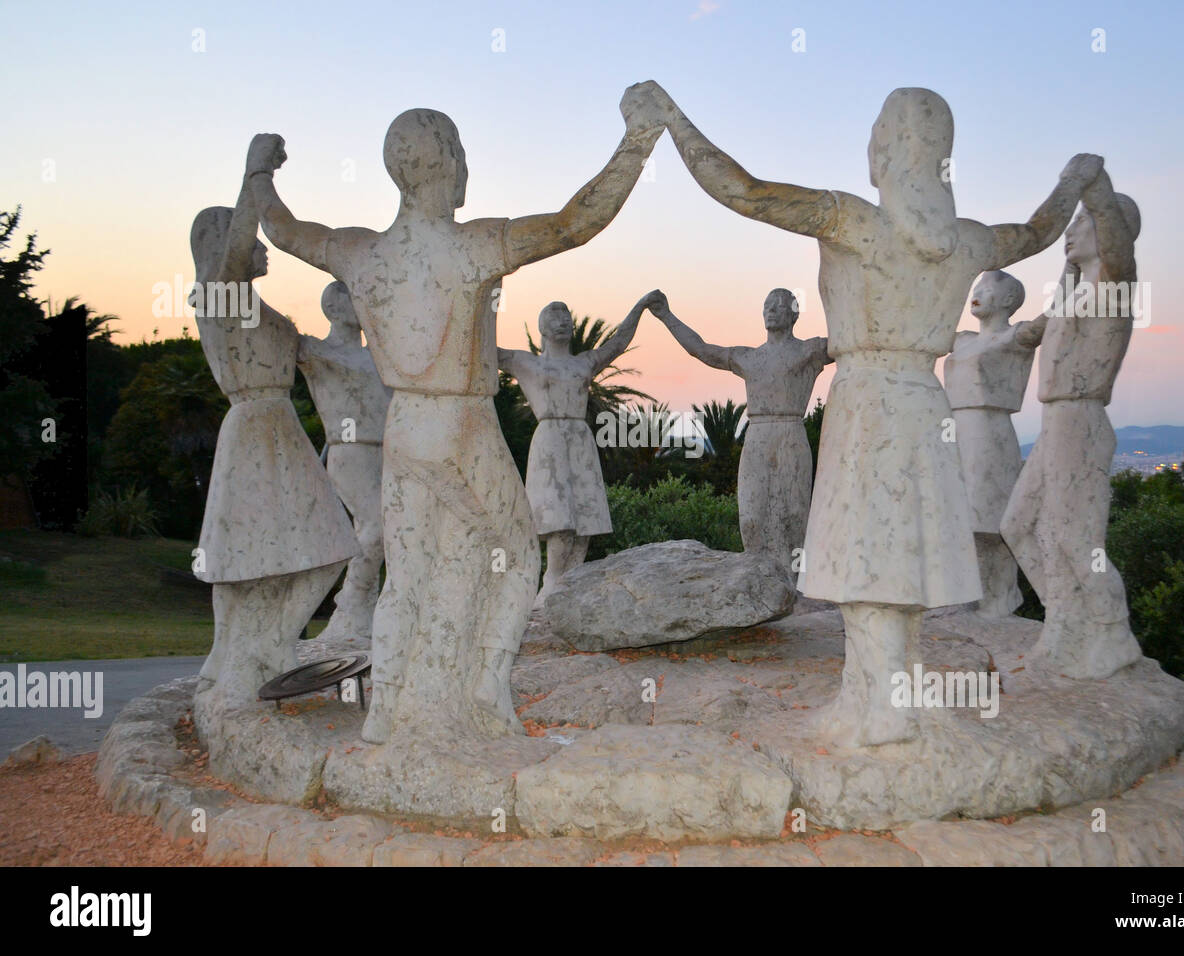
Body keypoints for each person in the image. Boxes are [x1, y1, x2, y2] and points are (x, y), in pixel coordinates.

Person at [636, 81, 1101, 746]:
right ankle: (895, 694)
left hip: (867, 398)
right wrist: (1073, 180)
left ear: (882, 151)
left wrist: (670, 119)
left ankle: (878, 709)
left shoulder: (851, 218)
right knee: (904, 550)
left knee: (868, 550)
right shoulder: (966, 242)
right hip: (923, 399)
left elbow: (740, 190)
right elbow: (1035, 232)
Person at [243, 85, 664, 743]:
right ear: (447, 162)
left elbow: (283, 228)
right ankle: (487, 690)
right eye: (462, 154)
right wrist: (638, 140)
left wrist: (258, 171)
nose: (468, 167)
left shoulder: (359, 251)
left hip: (403, 430)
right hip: (462, 423)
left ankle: (387, 715)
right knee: (520, 555)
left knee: (405, 579)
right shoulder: (475, 246)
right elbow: (577, 221)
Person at [189, 183, 355, 724]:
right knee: (256, 557)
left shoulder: (252, 304)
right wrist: (254, 174)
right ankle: (252, 654)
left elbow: (323, 355)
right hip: (257, 428)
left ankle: (248, 652)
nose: (262, 249)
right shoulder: (220, 294)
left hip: (277, 428)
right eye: (251, 238)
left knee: (322, 547)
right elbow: (236, 258)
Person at [1001, 170, 1143, 678]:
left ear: (1109, 229)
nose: (1073, 228)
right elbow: (1032, 330)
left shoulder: (1115, 288)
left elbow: (1119, 253)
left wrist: (1092, 186)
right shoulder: (1072, 298)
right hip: (1055, 422)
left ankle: (1111, 630)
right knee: (1017, 526)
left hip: (1081, 421)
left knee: (1076, 537)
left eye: (1084, 221)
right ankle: (1065, 622)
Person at [650, 288, 830, 575]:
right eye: (767, 306)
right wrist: (666, 316)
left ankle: (798, 583)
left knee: (795, 518)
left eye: (778, 305)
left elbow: (851, 341)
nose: (770, 310)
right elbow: (701, 349)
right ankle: (757, 579)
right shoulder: (749, 357)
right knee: (751, 518)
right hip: (757, 436)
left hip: (791, 434)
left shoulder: (810, 350)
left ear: (794, 314)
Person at [500, 293, 661, 605]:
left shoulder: (583, 363)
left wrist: (639, 306)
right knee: (560, 521)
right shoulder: (526, 362)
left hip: (580, 438)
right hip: (549, 439)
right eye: (553, 316)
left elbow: (617, 343)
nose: (561, 321)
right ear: (541, 328)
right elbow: (484, 350)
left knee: (585, 520)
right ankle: (551, 584)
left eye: (565, 316)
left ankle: (570, 585)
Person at [296, 281, 392, 645]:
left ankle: (369, 615)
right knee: (377, 528)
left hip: (392, 450)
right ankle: (350, 603)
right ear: (333, 309)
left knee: (393, 534)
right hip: (351, 451)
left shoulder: (381, 356)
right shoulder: (315, 350)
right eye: (355, 298)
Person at [943, 270, 1042, 617]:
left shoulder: (1016, 335)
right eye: (975, 287)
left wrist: (1078, 277)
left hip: (989, 430)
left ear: (1009, 300)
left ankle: (999, 598)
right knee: (955, 517)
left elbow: (1051, 320)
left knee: (989, 519)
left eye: (986, 288)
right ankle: (963, 591)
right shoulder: (962, 339)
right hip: (953, 428)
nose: (977, 292)